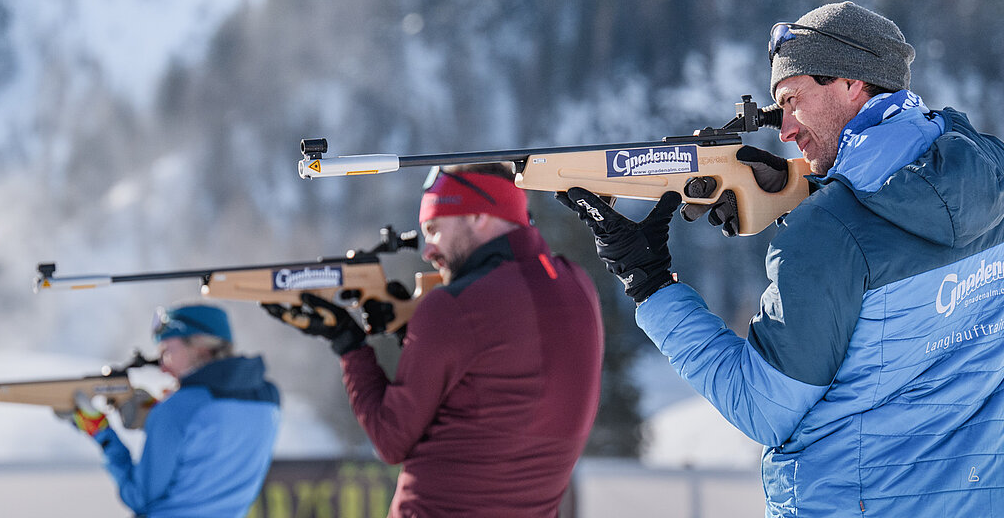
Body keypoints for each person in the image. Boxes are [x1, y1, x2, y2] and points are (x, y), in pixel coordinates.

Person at [559, 1, 1004, 516]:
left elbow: (762, 407)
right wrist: (812, 188)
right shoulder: (1000, 176)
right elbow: (898, 217)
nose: (783, 129)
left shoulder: (823, 236)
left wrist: (650, 282)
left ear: (852, 83)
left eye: (792, 100)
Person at [267, 164, 603, 517]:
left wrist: (348, 342)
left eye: (434, 229)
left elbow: (389, 438)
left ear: (477, 215)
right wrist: (408, 333)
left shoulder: (452, 307)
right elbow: (495, 375)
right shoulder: (576, 283)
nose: (428, 250)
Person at [68, 303, 281, 518]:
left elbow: (137, 496)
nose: (162, 366)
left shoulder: (177, 409)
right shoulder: (269, 398)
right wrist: (158, 414)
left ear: (200, 348)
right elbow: (212, 434)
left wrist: (102, 433)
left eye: (167, 351)